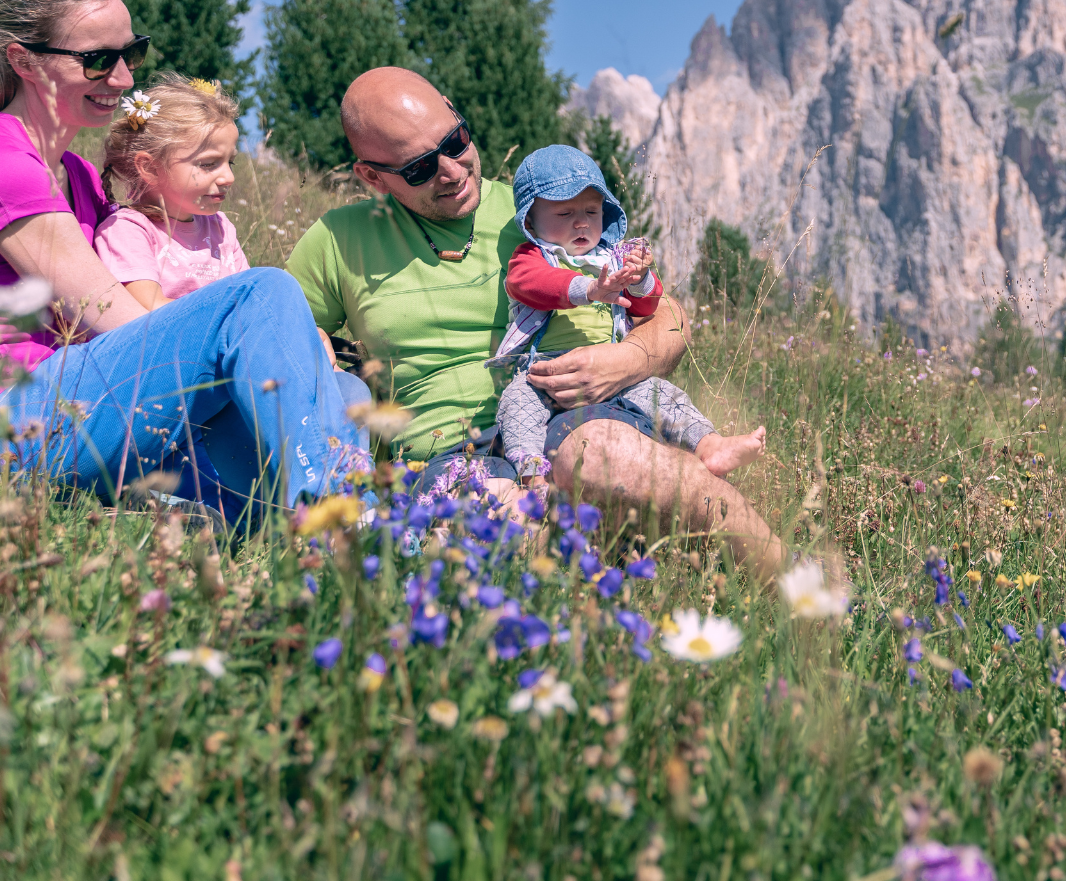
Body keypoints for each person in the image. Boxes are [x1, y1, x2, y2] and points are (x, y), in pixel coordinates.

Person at [0, 0, 368, 525]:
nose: (122, 79)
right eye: (97, 60)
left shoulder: (77, 174)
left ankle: (362, 527)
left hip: (64, 405)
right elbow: (122, 325)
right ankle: (341, 526)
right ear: (23, 61)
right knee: (261, 295)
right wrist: (259, 326)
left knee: (333, 395)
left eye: (131, 53)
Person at [286, 67, 783, 575]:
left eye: (455, 142)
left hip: (568, 415)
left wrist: (626, 358)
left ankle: (797, 584)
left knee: (617, 454)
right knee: (496, 532)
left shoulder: (543, 209)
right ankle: (595, 575)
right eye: (418, 169)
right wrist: (314, 340)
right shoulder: (337, 239)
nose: (453, 171)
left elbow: (667, 316)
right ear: (372, 176)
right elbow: (279, 330)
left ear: (457, 115)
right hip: (448, 447)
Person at [492, 143, 765, 477]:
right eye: (565, 214)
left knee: (664, 395)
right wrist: (589, 289)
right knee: (517, 405)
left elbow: (647, 305)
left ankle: (711, 446)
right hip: (543, 372)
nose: (581, 224)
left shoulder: (612, 257)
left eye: (591, 213)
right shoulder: (533, 256)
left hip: (611, 371)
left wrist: (638, 278)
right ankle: (530, 473)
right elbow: (530, 283)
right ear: (531, 224)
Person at [93, 74, 248, 310]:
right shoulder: (127, 231)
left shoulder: (222, 229)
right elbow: (147, 309)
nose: (229, 178)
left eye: (231, 163)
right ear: (150, 168)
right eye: (208, 164)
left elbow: (250, 299)